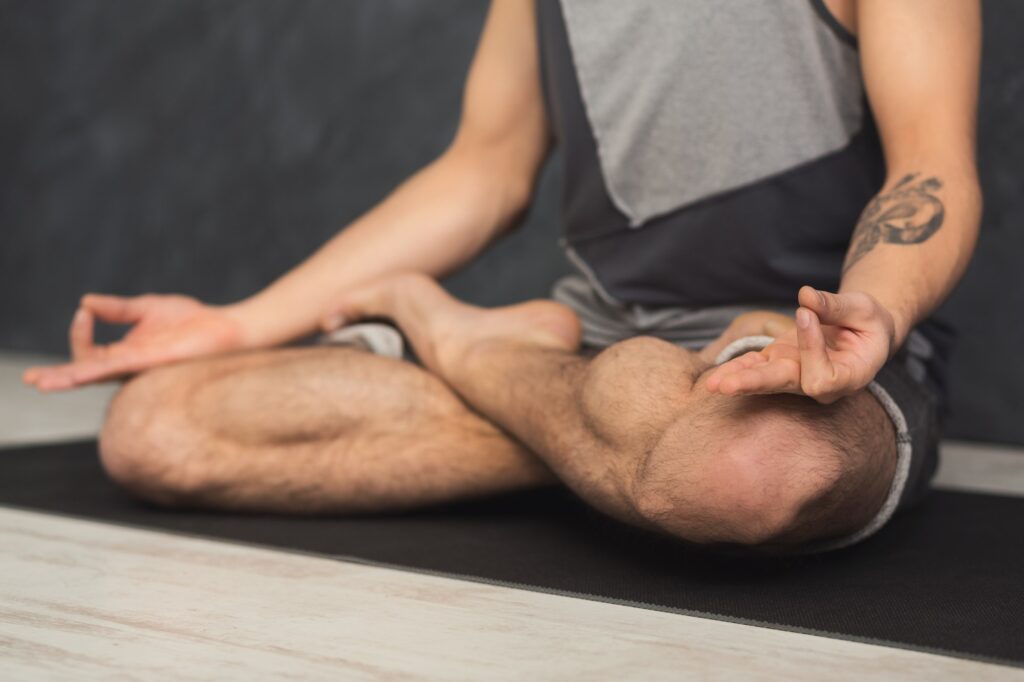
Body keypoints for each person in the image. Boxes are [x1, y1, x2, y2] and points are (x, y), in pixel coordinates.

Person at [24, 0, 981, 552]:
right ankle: (612, 443)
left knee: (745, 470)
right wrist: (240, 322)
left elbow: (930, 167)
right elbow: (482, 171)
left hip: (798, 349)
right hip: (598, 333)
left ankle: (471, 350)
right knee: (155, 432)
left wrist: (880, 314)